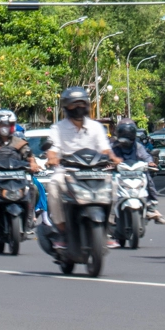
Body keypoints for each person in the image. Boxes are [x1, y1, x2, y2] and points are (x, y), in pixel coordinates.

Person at [45, 87, 119, 248]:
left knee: (113, 185)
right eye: (73, 104)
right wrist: (52, 158)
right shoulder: (57, 128)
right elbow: (53, 149)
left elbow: (105, 149)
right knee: (54, 185)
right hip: (67, 171)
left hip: (94, 171)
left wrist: (113, 158)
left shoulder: (96, 127)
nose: (78, 107)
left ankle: (107, 227)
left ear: (87, 105)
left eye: (81, 103)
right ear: (66, 107)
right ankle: (62, 230)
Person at [0, 109, 40, 230]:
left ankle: (30, 216)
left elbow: (29, 156)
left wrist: (33, 164)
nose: (4, 128)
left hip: (18, 179)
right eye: (1, 125)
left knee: (33, 188)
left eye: (6, 125)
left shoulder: (20, 143)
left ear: (12, 125)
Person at [113, 120, 165, 223]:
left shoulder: (138, 146)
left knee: (148, 178)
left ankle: (152, 207)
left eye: (129, 134)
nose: (126, 137)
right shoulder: (114, 147)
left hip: (136, 174)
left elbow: (146, 156)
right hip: (118, 176)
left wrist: (150, 163)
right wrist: (108, 164)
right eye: (124, 134)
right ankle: (109, 213)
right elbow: (107, 157)